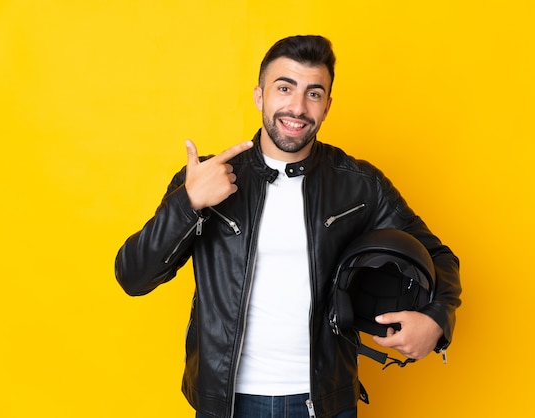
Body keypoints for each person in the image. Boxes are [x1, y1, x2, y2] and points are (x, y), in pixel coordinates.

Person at [115, 35, 461, 418]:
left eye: (314, 94)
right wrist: (189, 202)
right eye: (285, 88)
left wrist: (436, 319)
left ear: (327, 106)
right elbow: (133, 277)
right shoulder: (205, 179)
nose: (297, 107)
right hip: (225, 403)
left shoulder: (359, 184)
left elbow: (438, 256)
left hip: (325, 402)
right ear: (260, 96)